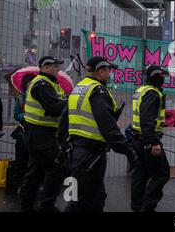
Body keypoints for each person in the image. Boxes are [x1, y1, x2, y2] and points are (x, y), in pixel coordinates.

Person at [58, 56, 138, 212]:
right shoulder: (98, 91)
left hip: (77, 152)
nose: (110, 74)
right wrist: (129, 152)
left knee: (90, 197)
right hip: (91, 155)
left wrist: (63, 147)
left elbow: (64, 121)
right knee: (82, 202)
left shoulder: (79, 88)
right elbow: (108, 128)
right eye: (109, 70)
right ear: (101, 71)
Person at [19, 56, 67, 212]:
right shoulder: (42, 84)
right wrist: (69, 102)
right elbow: (53, 107)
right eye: (55, 66)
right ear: (46, 67)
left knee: (36, 171)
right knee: (56, 169)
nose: (58, 69)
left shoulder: (50, 84)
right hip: (41, 134)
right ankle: (46, 205)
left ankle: (26, 206)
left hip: (39, 134)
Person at [131, 65, 171, 212]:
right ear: (156, 76)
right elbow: (146, 120)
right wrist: (154, 142)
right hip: (147, 140)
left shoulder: (142, 90)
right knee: (162, 173)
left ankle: (137, 206)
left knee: (141, 174)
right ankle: (147, 208)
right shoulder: (152, 93)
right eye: (162, 76)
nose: (163, 80)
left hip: (139, 138)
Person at [10, 73, 35, 193]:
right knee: (21, 161)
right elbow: (16, 114)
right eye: (29, 82)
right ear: (25, 84)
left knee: (34, 162)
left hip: (36, 135)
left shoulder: (40, 95)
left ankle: (32, 186)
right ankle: (18, 185)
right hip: (23, 134)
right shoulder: (20, 97)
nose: (31, 84)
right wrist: (26, 116)